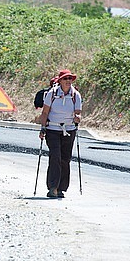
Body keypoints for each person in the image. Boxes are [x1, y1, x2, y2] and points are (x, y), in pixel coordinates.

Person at [38, 69, 82, 198]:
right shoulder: (52, 93)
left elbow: (78, 112)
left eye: (70, 79)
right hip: (53, 129)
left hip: (69, 130)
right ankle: (53, 187)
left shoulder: (76, 95)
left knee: (65, 159)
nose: (68, 81)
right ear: (60, 80)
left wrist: (78, 118)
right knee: (55, 157)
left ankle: (61, 188)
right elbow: (45, 112)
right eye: (65, 79)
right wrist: (42, 128)